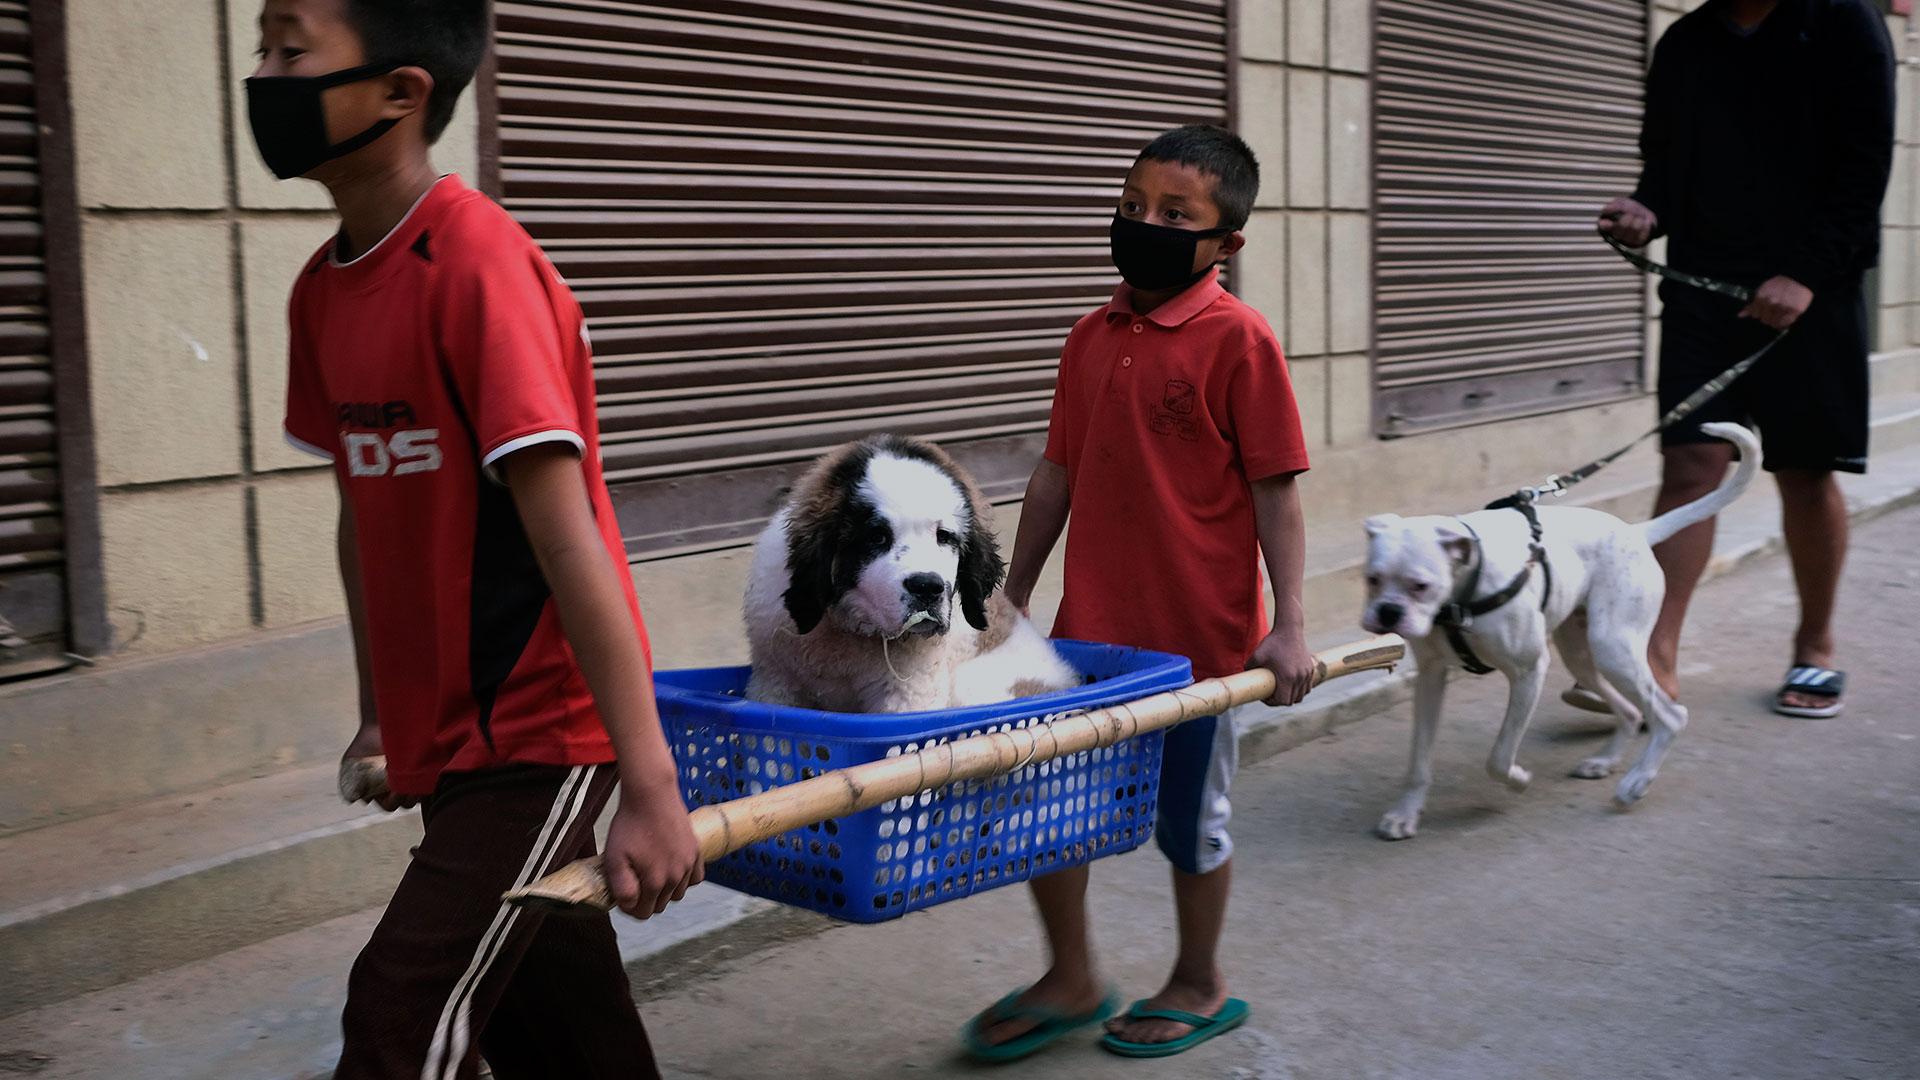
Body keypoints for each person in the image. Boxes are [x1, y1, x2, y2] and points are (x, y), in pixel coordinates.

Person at [251, 1, 700, 1076]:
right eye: (260, 48)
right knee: (558, 1023)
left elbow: (571, 538)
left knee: (400, 1016)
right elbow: (363, 521)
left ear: (403, 92)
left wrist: (649, 785)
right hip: (451, 737)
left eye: (291, 49)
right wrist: (379, 715)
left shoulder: (478, 270)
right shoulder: (323, 290)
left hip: (538, 730)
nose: (264, 76)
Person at [963, 125, 1317, 1061]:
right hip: (1088, 638)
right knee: (1049, 812)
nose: (1142, 225)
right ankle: (1072, 975)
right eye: (1131, 207)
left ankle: (1201, 979)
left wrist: (1289, 628)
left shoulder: (1239, 339)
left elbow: (1275, 489)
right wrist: (1012, 598)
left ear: (1226, 243)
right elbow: (1055, 476)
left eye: (1174, 215)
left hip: (1198, 646)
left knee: (1190, 821)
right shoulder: (1090, 335)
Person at [1588, 0, 1894, 720]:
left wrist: (1808, 273)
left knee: (1805, 472)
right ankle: (1654, 657)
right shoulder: (1688, 42)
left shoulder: (1845, 22)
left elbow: (1864, 165)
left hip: (1814, 296)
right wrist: (1643, 212)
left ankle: (1815, 645)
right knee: (1691, 466)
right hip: (1705, 292)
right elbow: (1664, 165)